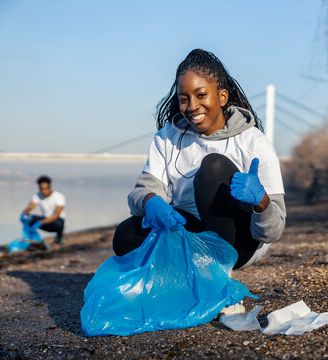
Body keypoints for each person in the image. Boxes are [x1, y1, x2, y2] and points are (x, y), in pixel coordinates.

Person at [113, 49, 286, 269]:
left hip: (239, 243)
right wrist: (151, 201)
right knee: (126, 235)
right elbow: (138, 194)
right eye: (184, 99)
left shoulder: (254, 142)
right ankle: (189, 276)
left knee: (214, 166)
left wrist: (261, 201)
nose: (192, 106)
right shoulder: (167, 137)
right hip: (191, 233)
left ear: (222, 96)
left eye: (201, 95)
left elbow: (273, 231)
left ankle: (219, 278)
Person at [21, 175, 66, 244]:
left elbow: (56, 215)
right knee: (30, 219)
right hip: (45, 219)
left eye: (46, 188)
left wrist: (40, 222)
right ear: (39, 188)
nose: (44, 191)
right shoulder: (37, 195)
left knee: (59, 223)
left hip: (56, 222)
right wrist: (24, 213)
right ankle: (34, 239)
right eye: (42, 189)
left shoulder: (59, 196)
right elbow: (30, 207)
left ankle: (59, 238)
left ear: (50, 186)